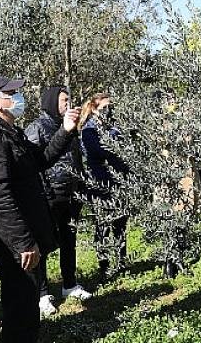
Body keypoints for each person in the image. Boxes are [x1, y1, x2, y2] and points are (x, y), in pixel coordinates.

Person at [0, 75, 80, 342]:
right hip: (12, 242)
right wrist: (22, 242)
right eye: (11, 94)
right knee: (20, 308)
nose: (18, 98)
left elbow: (40, 159)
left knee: (27, 306)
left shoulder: (9, 131)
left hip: (25, 233)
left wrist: (65, 131)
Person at [26, 85, 92, 317]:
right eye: (64, 100)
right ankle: (42, 294)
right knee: (43, 246)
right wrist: (43, 193)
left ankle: (69, 284)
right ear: (52, 102)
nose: (67, 104)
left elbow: (76, 159)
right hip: (49, 196)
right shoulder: (37, 127)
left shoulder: (69, 127)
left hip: (71, 194)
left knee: (69, 240)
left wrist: (81, 185)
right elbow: (33, 165)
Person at [80, 93, 130, 279]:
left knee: (120, 225)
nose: (109, 111)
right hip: (100, 185)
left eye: (111, 107)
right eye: (104, 108)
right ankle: (104, 266)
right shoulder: (88, 131)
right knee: (103, 226)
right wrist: (116, 140)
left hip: (118, 183)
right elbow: (101, 151)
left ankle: (121, 263)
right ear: (94, 109)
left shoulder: (114, 128)